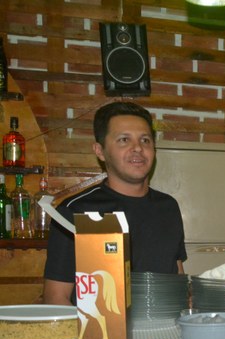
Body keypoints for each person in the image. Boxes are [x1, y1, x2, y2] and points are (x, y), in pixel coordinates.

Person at [43, 101, 186, 305]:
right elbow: (56, 297)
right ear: (100, 151)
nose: (138, 148)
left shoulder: (168, 206)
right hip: (101, 325)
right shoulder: (74, 211)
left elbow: (177, 274)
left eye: (145, 140)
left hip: (165, 324)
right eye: (124, 140)